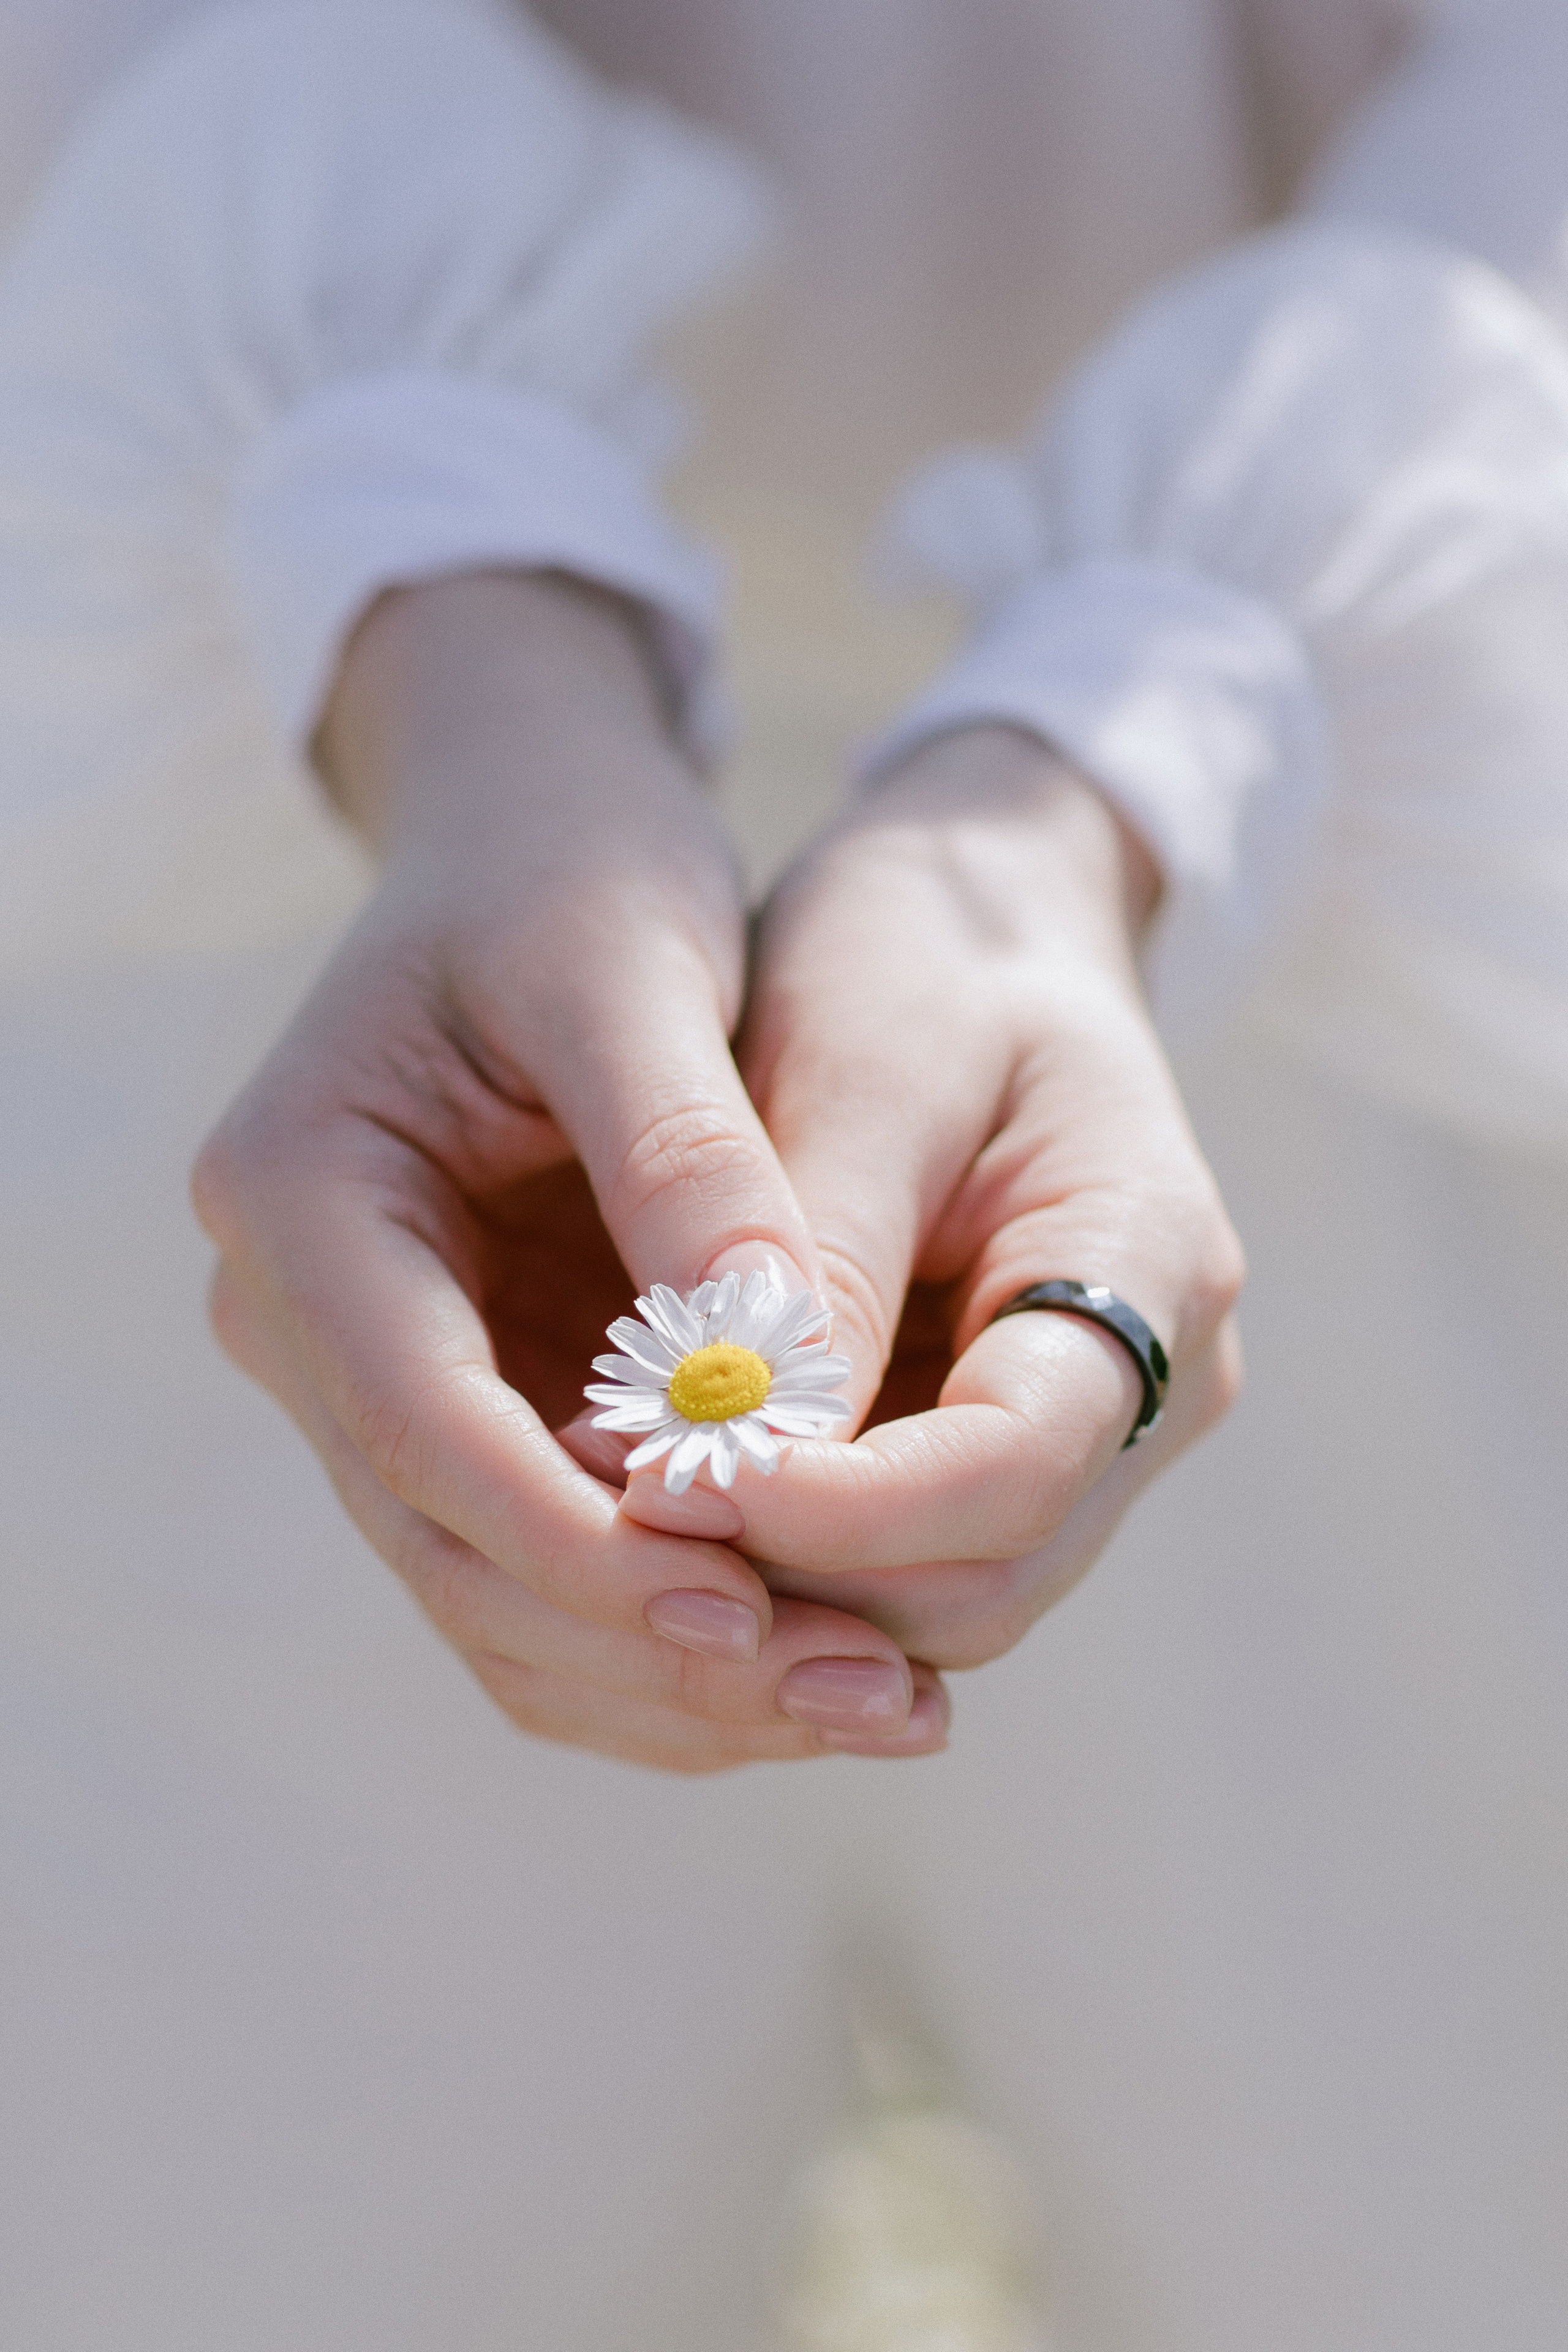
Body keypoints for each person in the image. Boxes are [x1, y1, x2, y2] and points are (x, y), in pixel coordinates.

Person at [1, 2, 1565, 2344]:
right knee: (243, 2228)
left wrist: (1114, 768)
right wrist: (450, 641)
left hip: (1445, 801)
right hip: (261, 778)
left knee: (1441, 2215)